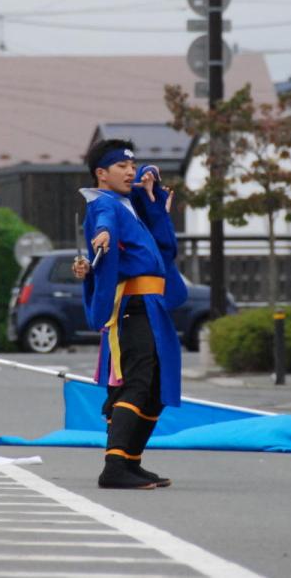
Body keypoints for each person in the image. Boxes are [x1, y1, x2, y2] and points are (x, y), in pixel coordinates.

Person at [73, 139, 187, 489]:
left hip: (152, 305)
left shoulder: (130, 203)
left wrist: (153, 201)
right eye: (120, 166)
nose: (130, 171)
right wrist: (104, 233)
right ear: (101, 174)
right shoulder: (104, 204)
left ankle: (130, 461)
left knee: (156, 385)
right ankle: (114, 465)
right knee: (137, 381)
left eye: (132, 164)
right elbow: (103, 220)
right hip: (132, 307)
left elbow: (167, 247)